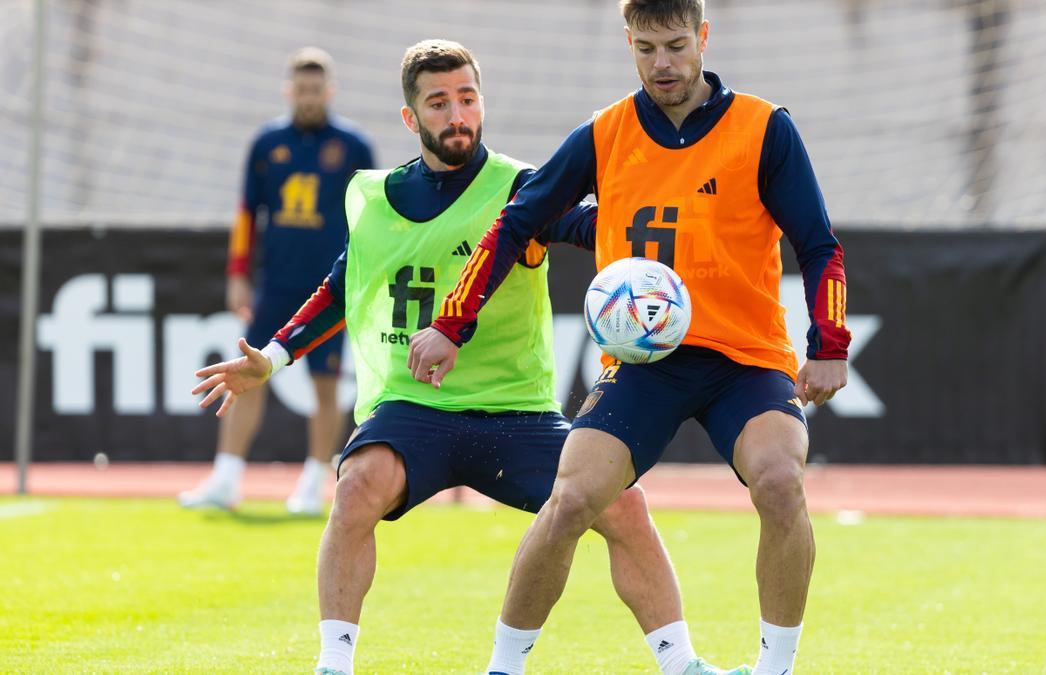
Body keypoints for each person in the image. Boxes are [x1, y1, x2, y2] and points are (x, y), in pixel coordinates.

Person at [191, 40, 737, 675]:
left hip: (518, 415)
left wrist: (679, 228)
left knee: (624, 504)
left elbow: (599, 226)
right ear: (410, 117)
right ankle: (333, 665)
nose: (458, 115)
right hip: (412, 410)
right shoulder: (373, 195)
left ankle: (682, 664)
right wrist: (275, 356)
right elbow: (344, 285)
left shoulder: (522, 187)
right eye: (440, 102)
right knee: (356, 486)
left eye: (469, 99)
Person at [407, 2, 853, 673]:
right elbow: (516, 222)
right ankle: (503, 666)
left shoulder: (764, 128)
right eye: (646, 49)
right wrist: (450, 323)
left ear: (702, 36)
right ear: (629, 43)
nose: (663, 64)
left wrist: (830, 341)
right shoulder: (604, 132)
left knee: (781, 480)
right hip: (643, 363)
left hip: (746, 357)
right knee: (571, 501)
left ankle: (775, 668)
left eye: (676, 45)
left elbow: (819, 245)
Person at [179, 47, 375, 515]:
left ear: (330, 91)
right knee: (249, 372)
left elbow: (370, 215)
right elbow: (247, 212)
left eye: (316, 90)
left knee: (326, 384)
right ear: (290, 91)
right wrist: (238, 275)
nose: (308, 98)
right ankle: (226, 477)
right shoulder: (267, 143)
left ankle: (312, 482)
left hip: (331, 285)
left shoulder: (354, 146)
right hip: (277, 282)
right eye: (301, 90)